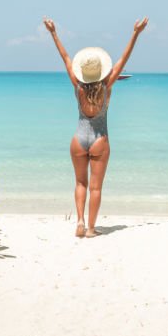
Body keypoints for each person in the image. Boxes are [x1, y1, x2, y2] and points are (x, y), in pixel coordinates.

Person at [43, 17, 148, 237]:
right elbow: (123, 58)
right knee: (96, 188)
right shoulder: (106, 86)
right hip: (100, 140)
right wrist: (136, 33)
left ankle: (79, 222)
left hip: (78, 139)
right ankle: (91, 228)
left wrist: (53, 32)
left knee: (80, 183)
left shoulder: (77, 86)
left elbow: (65, 57)